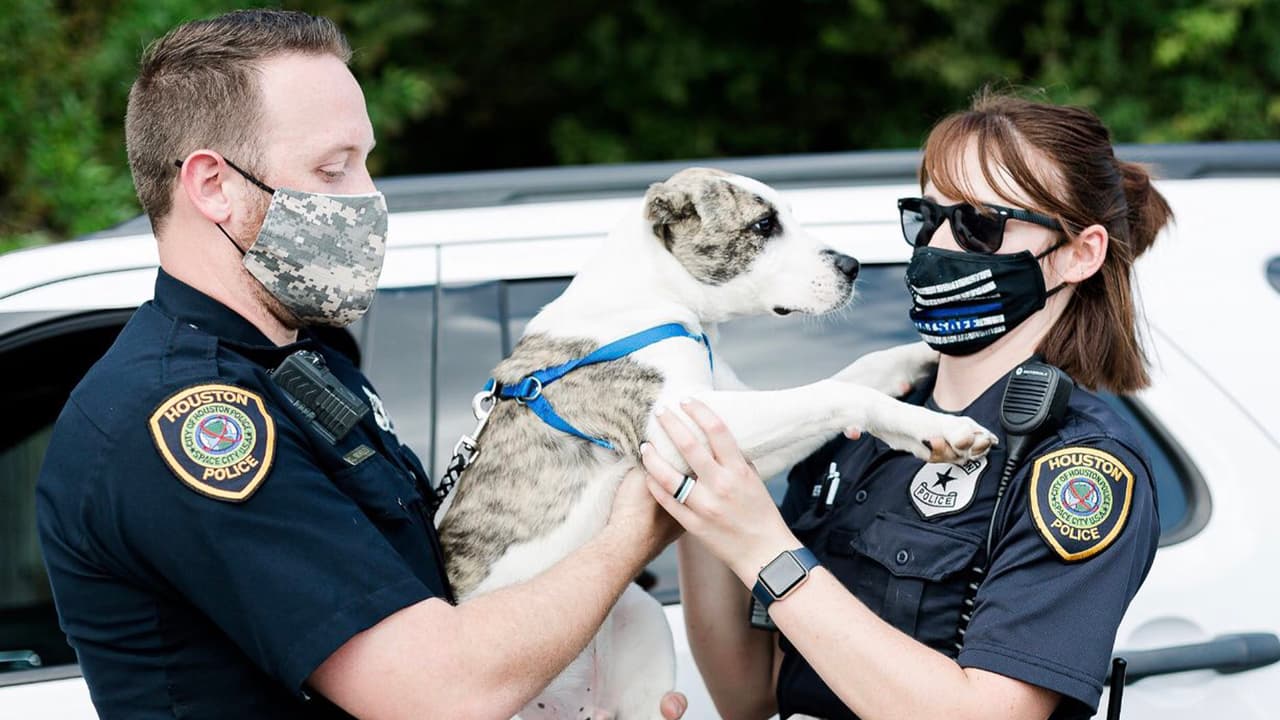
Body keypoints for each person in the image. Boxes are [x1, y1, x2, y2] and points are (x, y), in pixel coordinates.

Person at [36, 10, 685, 719]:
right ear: (213, 186)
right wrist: (636, 530)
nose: (368, 197)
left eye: (365, 162)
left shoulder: (305, 360)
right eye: (332, 168)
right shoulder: (183, 420)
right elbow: (436, 692)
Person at [639, 90, 1170, 720]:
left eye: (980, 223)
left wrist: (763, 547)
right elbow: (750, 694)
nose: (938, 244)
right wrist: (706, 493)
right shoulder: (860, 420)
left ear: (1081, 254)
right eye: (927, 217)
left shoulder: (1077, 467)